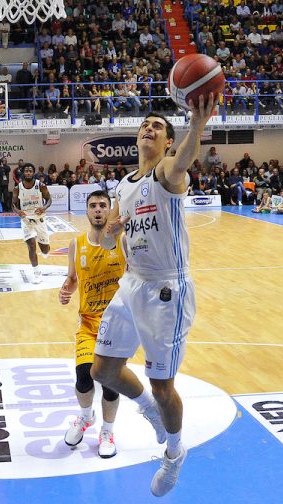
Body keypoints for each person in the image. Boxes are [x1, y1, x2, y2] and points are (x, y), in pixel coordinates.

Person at [91, 93, 218, 497]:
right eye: (144, 124)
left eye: (157, 126)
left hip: (167, 289)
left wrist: (196, 125)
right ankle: (147, 409)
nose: (148, 128)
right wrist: (110, 232)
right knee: (102, 371)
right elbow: (106, 240)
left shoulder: (167, 173)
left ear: (167, 141)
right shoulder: (124, 185)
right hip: (132, 283)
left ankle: (175, 453)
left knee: (164, 386)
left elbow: (183, 161)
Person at [58, 190, 125, 458]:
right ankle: (86, 417)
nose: (98, 209)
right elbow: (73, 278)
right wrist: (66, 289)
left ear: (109, 210)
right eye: (93, 205)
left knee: (109, 382)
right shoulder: (76, 244)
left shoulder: (123, 241)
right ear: (86, 211)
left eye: (103, 205)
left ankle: (107, 431)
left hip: (117, 324)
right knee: (83, 377)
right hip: (87, 322)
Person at [11, 163, 53, 283]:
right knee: (31, 245)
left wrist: (43, 208)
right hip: (26, 220)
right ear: (23, 173)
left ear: (33, 173)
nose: (28, 173)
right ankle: (37, 273)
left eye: (30, 171)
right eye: (26, 171)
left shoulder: (41, 185)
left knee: (45, 250)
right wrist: (18, 211)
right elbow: (13, 204)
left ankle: (46, 250)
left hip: (40, 219)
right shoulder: (18, 188)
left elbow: (49, 199)